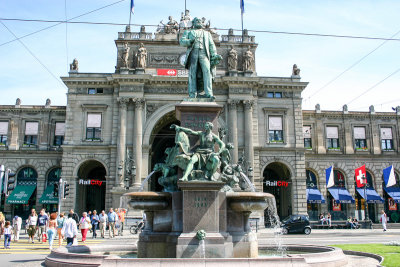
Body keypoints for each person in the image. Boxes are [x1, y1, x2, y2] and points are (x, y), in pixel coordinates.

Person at [179, 17, 222, 99]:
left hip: (204, 53)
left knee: (207, 71)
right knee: (192, 73)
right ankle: (192, 94)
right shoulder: (188, 32)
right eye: (197, 21)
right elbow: (182, 41)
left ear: (202, 23)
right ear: (193, 23)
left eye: (200, 21)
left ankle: (209, 93)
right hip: (193, 53)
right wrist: (189, 41)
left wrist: (214, 55)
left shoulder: (207, 33)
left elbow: (211, 45)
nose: (198, 22)